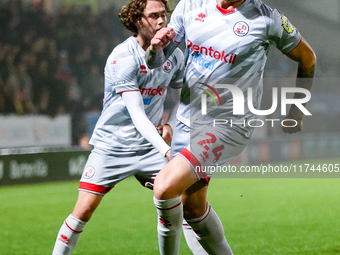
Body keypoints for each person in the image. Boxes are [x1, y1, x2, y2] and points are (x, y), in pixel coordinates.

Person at [146, 0, 317, 254]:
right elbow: (156, 63)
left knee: (164, 188)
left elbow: (308, 58)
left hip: (229, 123)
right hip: (186, 118)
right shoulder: (190, 5)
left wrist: (296, 110)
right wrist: (154, 47)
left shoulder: (267, 19)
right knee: (192, 209)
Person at [52, 0, 186, 254]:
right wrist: (168, 151)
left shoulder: (175, 55)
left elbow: (181, 99)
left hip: (150, 149)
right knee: (82, 212)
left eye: (163, 15)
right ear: (138, 21)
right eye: (154, 16)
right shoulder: (122, 58)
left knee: (177, 205)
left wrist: (169, 123)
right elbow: (136, 114)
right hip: (113, 146)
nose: (161, 21)